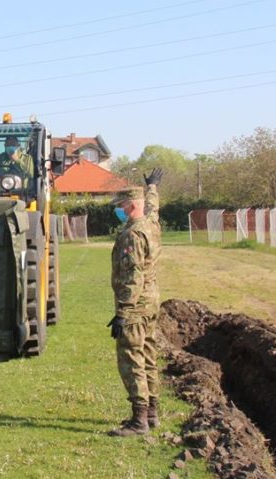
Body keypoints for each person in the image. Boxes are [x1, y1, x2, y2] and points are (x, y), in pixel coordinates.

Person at [106, 168, 163, 437]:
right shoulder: (150, 224)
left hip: (136, 306)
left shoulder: (132, 234)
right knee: (149, 356)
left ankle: (139, 420)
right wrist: (152, 187)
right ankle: (152, 412)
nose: (118, 210)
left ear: (130, 206)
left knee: (132, 359)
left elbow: (133, 275)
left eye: (120, 206)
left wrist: (123, 313)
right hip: (151, 303)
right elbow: (153, 208)